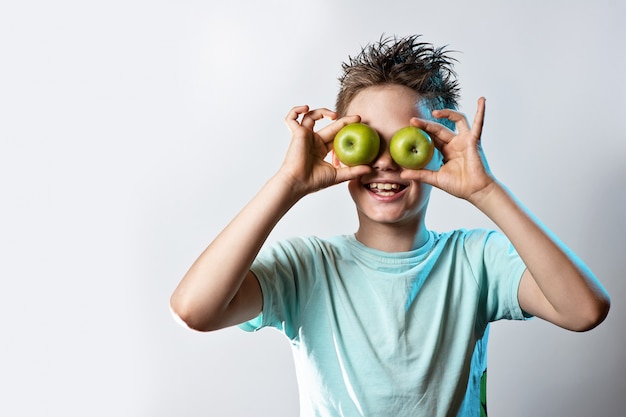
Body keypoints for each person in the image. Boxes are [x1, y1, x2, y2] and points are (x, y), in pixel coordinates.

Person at [169, 35, 611, 417]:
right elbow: (194, 309)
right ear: (339, 153)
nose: (384, 161)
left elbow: (584, 311)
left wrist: (486, 191)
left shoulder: (476, 260)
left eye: (405, 143)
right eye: (369, 143)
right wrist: (287, 184)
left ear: (440, 151)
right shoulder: (306, 267)